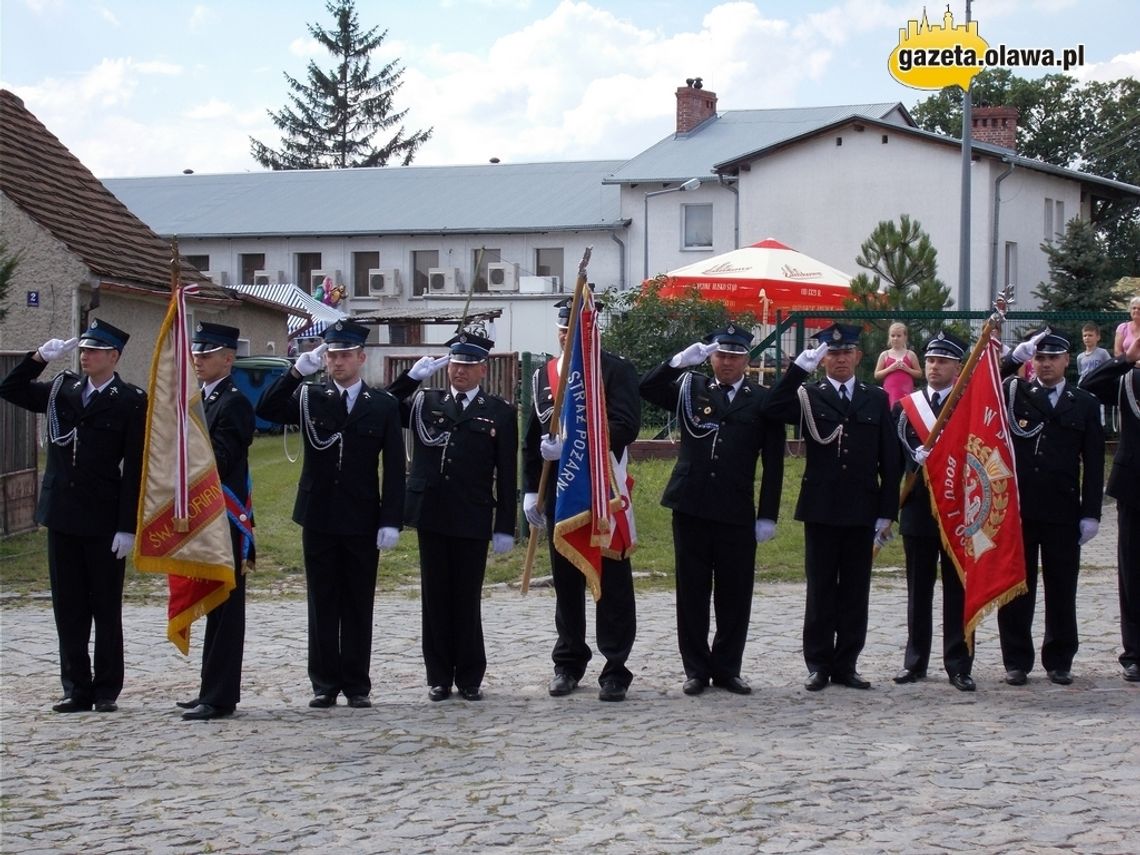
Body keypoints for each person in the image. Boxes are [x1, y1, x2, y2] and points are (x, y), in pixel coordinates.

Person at [256, 321, 405, 709]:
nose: (336, 362)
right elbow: (267, 408)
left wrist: (391, 519)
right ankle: (323, 683)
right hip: (319, 513)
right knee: (322, 601)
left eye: (344, 355)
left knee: (358, 601)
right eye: (331, 355)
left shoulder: (384, 405)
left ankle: (357, 683)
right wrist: (294, 373)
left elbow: (394, 467)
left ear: (361, 357)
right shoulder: (310, 397)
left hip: (361, 515)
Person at [0, 319, 145, 713]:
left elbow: (134, 468)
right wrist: (38, 359)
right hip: (62, 514)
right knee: (69, 607)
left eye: (94, 350)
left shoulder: (130, 400)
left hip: (102, 518)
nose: (85, 356)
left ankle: (105, 690)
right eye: (83, 350)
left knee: (105, 608)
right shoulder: (62, 390)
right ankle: (75, 687)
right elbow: (9, 389)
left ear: (113, 357)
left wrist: (126, 526)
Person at [639, 324, 785, 695]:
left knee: (735, 593)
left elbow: (773, 462)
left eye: (735, 356)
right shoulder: (692, 388)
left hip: (736, 507)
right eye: (721, 355)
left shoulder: (762, 399)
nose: (727, 362)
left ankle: (727, 668)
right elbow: (648, 388)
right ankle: (696, 669)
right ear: (712, 357)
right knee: (692, 590)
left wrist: (767, 513)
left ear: (747, 360)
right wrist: (676, 363)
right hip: (691, 503)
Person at [763, 322, 899, 691]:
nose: (840, 359)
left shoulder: (875, 397)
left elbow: (890, 457)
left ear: (858, 356)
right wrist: (797, 371)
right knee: (821, 589)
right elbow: (773, 408)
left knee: (856, 591)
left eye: (846, 352)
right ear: (823, 359)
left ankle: (847, 664)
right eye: (832, 353)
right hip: (821, 506)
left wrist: (887, 510)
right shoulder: (809, 394)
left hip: (862, 506)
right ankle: (819, 664)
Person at [387, 332, 518, 702]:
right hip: (431, 512)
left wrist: (504, 524)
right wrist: (411, 377)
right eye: (454, 364)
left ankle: (470, 675)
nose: (459, 371)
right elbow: (384, 404)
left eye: (467, 365)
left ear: (482, 369)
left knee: (466, 596)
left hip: (473, 514)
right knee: (435, 596)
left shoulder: (500, 412)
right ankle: (439, 676)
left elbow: (507, 473)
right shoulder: (426, 402)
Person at [523, 298, 641, 702]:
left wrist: (574, 439)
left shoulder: (615, 370)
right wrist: (528, 489)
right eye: (562, 329)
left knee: (613, 588)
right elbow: (531, 437)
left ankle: (615, 668)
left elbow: (626, 426)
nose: (566, 335)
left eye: (575, 328)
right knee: (567, 585)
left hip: (604, 493)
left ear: (592, 329)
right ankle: (568, 663)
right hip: (561, 494)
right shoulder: (545, 374)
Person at [998, 328, 1104, 686]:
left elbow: (1092, 462)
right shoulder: (1014, 393)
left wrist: (1091, 512)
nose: (1045, 364)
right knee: (1016, 587)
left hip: (1062, 509)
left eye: (1052, 358)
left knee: (1062, 587)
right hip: (1019, 508)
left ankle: (1060, 659)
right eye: (1039, 358)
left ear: (1066, 360)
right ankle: (1016, 660)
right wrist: (1013, 359)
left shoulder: (1084, 402)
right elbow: (979, 386)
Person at [178, 323, 255, 721]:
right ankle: (209, 688)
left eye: (207, 355)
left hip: (224, 516)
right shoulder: (202, 400)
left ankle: (221, 695)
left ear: (228, 358)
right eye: (196, 354)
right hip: (205, 517)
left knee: (226, 606)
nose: (198, 360)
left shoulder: (234, 402)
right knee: (213, 603)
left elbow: (222, 458)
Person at [890, 331, 976, 691]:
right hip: (919, 509)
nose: (934, 366)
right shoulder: (907, 407)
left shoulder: (967, 405)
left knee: (958, 591)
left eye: (942, 360)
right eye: (930, 360)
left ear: (958, 366)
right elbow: (893, 461)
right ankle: (915, 661)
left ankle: (959, 663)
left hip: (957, 512)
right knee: (918, 590)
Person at [1079, 334, 1140, 682]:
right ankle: (1135, 653)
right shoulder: (1130, 379)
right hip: (1135, 486)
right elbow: (1089, 385)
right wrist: (1125, 358)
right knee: (1133, 572)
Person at [873, 322, 922, 407]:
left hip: (906, 391)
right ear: (889, 337)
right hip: (889, 392)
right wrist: (890, 369)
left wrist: (907, 369)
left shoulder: (910, 354)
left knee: (904, 412)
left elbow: (919, 374)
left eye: (899, 336)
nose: (895, 338)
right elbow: (877, 375)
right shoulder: (885, 354)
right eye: (893, 336)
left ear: (905, 337)